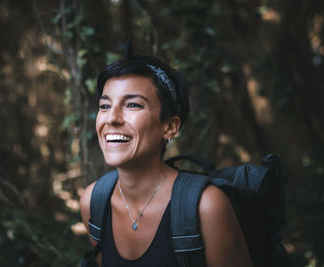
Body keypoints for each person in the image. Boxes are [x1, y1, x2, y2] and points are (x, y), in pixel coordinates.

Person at [80, 47, 253, 266]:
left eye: (132, 104)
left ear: (170, 126)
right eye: (105, 106)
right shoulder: (94, 201)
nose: (111, 118)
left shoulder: (207, 206)